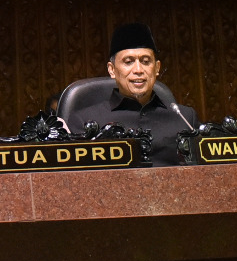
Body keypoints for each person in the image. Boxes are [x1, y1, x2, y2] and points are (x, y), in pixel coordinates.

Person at [62, 22, 197, 167]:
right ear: (112, 70)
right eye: (128, 62)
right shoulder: (85, 121)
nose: (138, 69)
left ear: (157, 68)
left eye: (146, 61)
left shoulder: (185, 118)